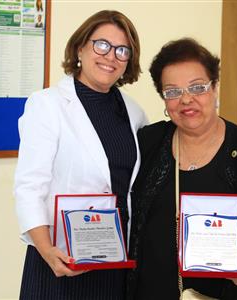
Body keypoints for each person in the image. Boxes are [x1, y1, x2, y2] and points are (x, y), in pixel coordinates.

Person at [127, 38, 237, 300]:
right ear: (163, 98)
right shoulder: (148, 142)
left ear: (215, 87)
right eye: (172, 91)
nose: (186, 99)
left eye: (197, 87)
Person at [14, 10, 147, 300]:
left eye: (122, 50)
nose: (110, 56)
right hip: (59, 261)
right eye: (102, 45)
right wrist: (47, 251)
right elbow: (29, 186)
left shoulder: (134, 113)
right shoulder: (47, 105)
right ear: (80, 47)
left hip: (114, 261)